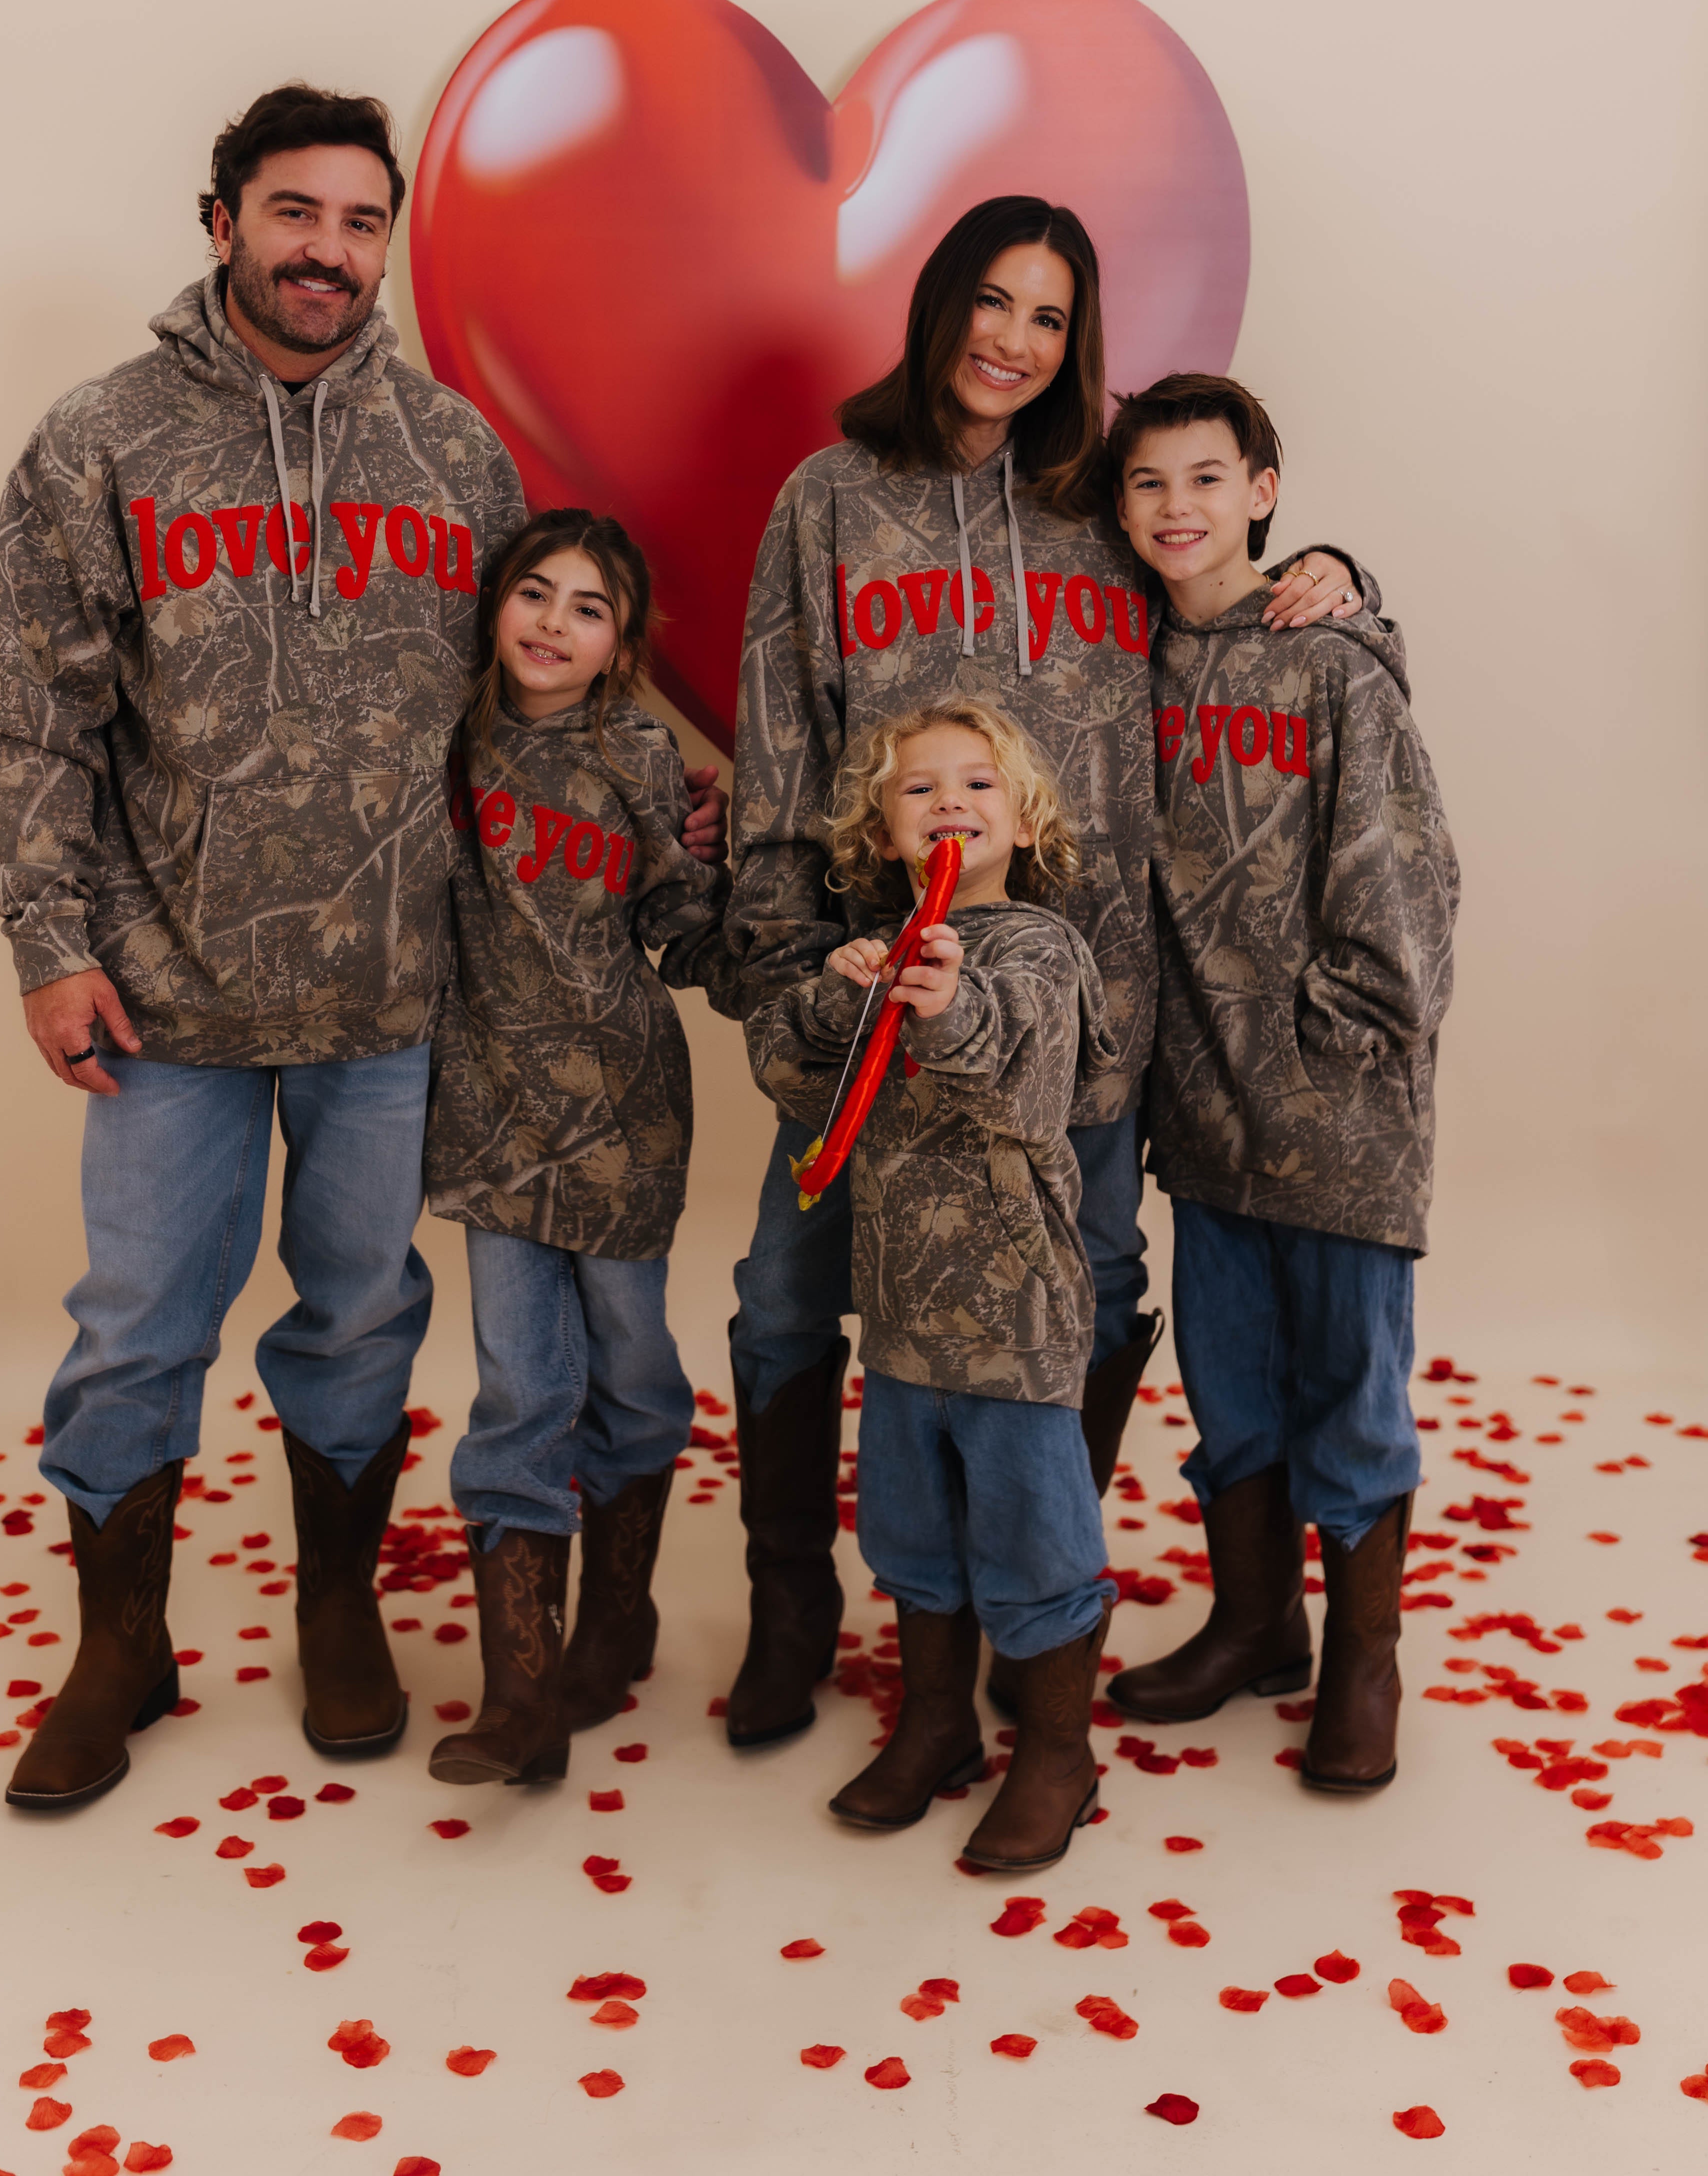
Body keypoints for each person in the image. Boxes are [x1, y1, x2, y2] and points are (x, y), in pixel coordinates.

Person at [0, 84, 722, 1814]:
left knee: (363, 1311)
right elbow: (25, 719)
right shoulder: (105, 439)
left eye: (362, 222)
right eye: (294, 214)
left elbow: (536, 708)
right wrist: (47, 940)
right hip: (166, 990)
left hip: (393, 994)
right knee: (139, 1319)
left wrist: (686, 813)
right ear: (219, 220)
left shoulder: (452, 457)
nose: (328, 251)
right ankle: (118, 1647)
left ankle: (341, 1611)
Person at [721, 193, 1370, 1747]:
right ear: (939, 306)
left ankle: (1034, 1611)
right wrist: (793, 984)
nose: (1015, 341)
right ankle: (792, 1601)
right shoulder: (828, 501)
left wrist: (1333, 569)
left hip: (1090, 995)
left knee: (1084, 1288)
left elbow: (1231, 608)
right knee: (788, 1294)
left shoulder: (1102, 500)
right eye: (993, 302)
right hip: (889, 987)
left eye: (1052, 317)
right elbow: (772, 753)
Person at [1104, 373, 1458, 1792]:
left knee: (1350, 1396)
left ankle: (1365, 1662)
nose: (1176, 508)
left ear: (1262, 488)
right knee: (1233, 1388)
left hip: (1336, 1113)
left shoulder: (1331, 658)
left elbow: (1406, 879)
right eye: (1147, 484)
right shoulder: (1121, 659)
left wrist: (1338, 1047)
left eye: (1206, 478)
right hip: (1198, 1107)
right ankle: (1258, 1623)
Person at [749, 700, 1116, 1871]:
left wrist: (948, 1005)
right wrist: (837, 992)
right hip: (904, 1306)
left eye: (978, 784)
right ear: (884, 829)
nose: (948, 801)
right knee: (913, 1526)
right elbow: (795, 1076)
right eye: (919, 788)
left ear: (1023, 820)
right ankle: (939, 1721)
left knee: (1032, 1529)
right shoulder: (885, 949)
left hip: (1013, 1310)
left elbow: (1025, 1101)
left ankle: (1060, 1751)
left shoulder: (1039, 951)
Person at [423, 510, 736, 1790]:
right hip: (491, 1107)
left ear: (620, 649)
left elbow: (679, 919)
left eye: (589, 608)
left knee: (633, 1368)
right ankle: (521, 1691)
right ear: (495, 607)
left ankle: (620, 1613)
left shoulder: (639, 754)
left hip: (620, 1111)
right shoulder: (446, 735)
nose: (554, 622)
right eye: (534, 595)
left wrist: (766, 921)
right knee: (517, 1384)